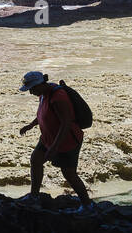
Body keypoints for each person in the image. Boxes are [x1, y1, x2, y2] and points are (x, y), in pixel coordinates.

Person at [18, 70, 93, 211]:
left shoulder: (58, 97)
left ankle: (87, 204)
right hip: (48, 137)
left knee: (69, 174)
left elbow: (66, 123)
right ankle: (34, 197)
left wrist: (54, 147)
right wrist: (31, 125)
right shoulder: (43, 94)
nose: (30, 92)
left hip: (67, 141)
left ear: (39, 85)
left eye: (31, 89)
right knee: (36, 160)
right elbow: (44, 113)